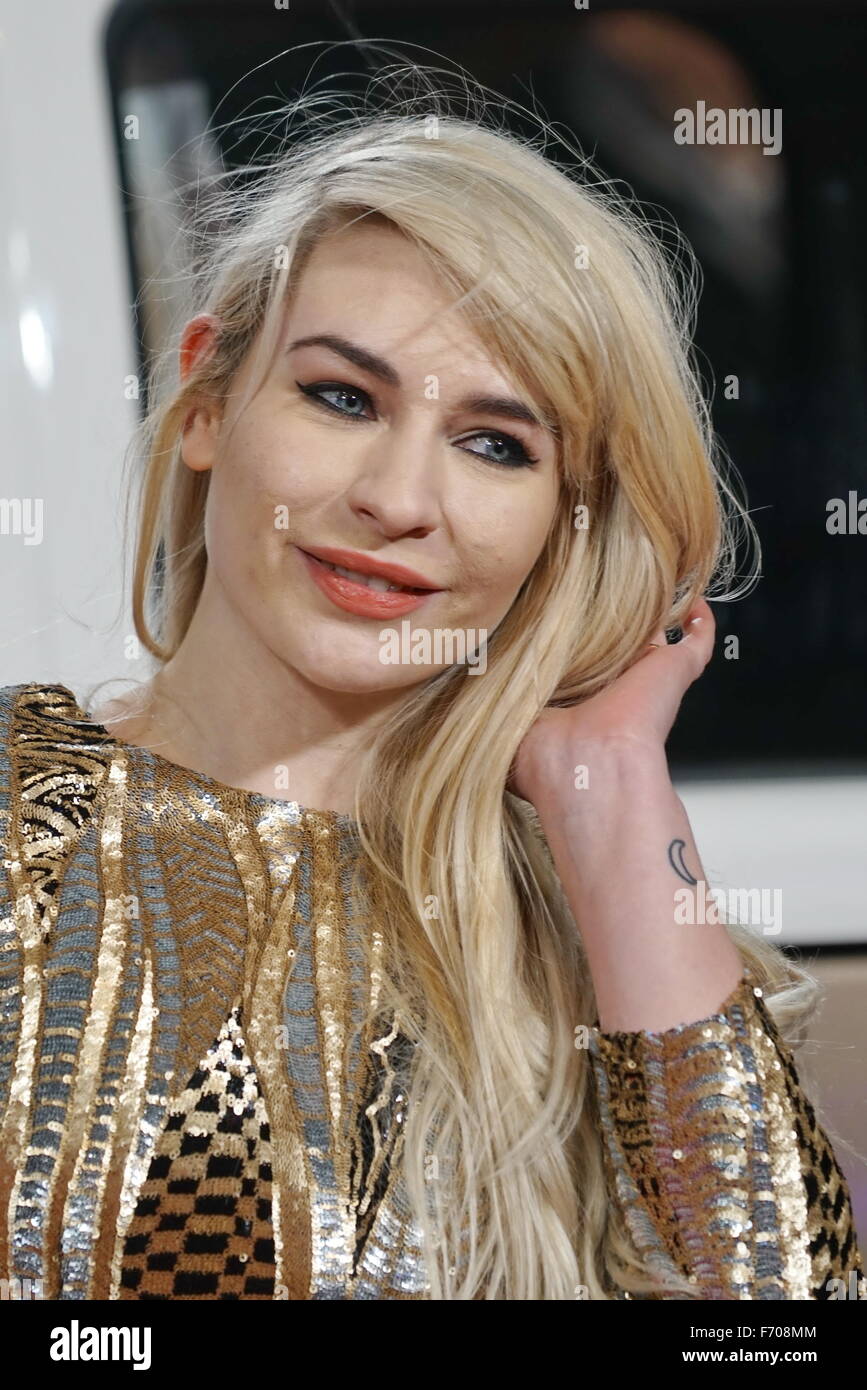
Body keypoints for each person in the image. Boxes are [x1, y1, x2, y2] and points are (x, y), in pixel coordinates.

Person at [0, 74, 862, 1301]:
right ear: (204, 401)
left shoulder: (588, 944)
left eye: (495, 444)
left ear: (560, 523)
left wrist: (607, 787)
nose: (399, 500)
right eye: (342, 397)